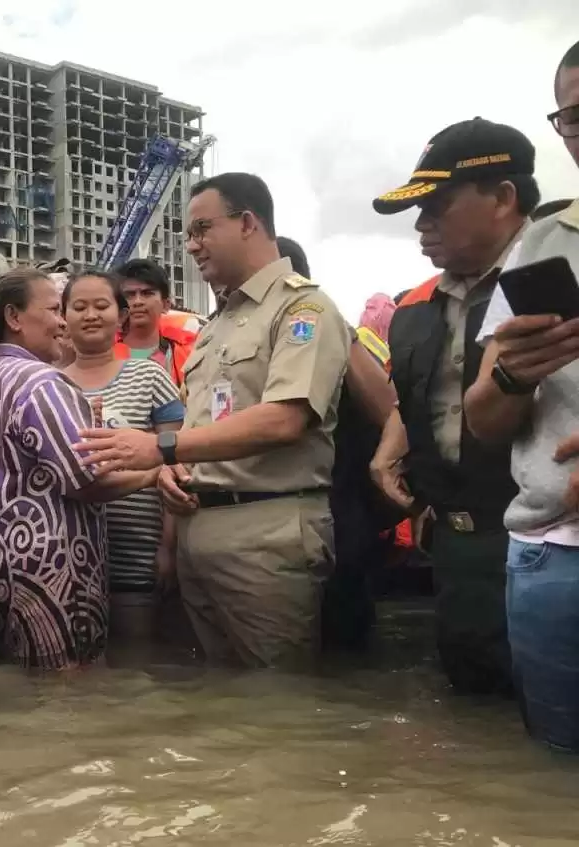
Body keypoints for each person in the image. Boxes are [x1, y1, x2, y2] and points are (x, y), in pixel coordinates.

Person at [74, 174, 350, 668]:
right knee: (218, 701)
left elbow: (286, 419)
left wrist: (162, 450)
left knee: (274, 700)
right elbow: (201, 428)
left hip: (266, 531)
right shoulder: (214, 326)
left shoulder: (302, 307)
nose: (192, 245)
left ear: (247, 223)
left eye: (202, 229)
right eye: (188, 233)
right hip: (199, 529)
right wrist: (170, 470)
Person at [370, 118, 539, 696]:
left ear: (503, 197)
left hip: (545, 538)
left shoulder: (552, 286)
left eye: (438, 205)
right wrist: (394, 447)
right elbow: (420, 395)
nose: (422, 225)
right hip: (454, 547)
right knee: (471, 719)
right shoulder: (417, 311)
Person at [463, 39, 579, 750]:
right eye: (573, 116)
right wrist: (512, 374)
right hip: (550, 553)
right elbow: (483, 416)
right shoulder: (544, 243)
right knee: (554, 777)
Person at [0, 268, 158, 669]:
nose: (63, 321)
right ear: (15, 318)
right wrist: (157, 471)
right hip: (51, 581)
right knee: (69, 703)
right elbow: (88, 481)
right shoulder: (41, 382)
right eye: (54, 309)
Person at [61, 271, 185, 642]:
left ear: (121, 314)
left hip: (139, 554)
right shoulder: (50, 384)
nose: (90, 315)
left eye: (102, 305)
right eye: (79, 307)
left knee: (136, 676)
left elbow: (177, 464)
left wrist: (169, 547)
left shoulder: (150, 376)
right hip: (70, 563)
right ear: (63, 316)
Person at [115, 258, 196, 390]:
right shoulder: (101, 353)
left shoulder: (188, 357)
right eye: (129, 295)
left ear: (166, 304)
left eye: (147, 293)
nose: (138, 302)